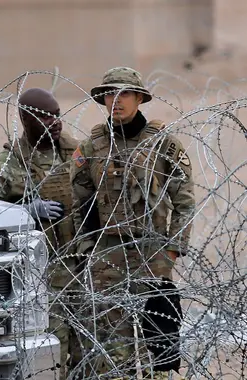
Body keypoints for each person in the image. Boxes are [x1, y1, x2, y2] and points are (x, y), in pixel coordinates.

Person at [69, 67, 196, 378]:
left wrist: (173, 250)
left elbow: (184, 201)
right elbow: (80, 202)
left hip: (152, 252)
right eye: (110, 94)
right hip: (108, 255)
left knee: (158, 346)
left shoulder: (163, 145)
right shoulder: (91, 148)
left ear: (139, 98)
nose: (116, 100)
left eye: (124, 93)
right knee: (114, 350)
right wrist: (88, 247)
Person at [0, 87, 83, 379]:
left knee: (89, 351)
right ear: (26, 118)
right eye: (46, 118)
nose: (55, 122)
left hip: (83, 266)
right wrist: (25, 212)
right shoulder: (6, 166)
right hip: (39, 275)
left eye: (58, 116)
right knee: (52, 350)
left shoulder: (79, 156)